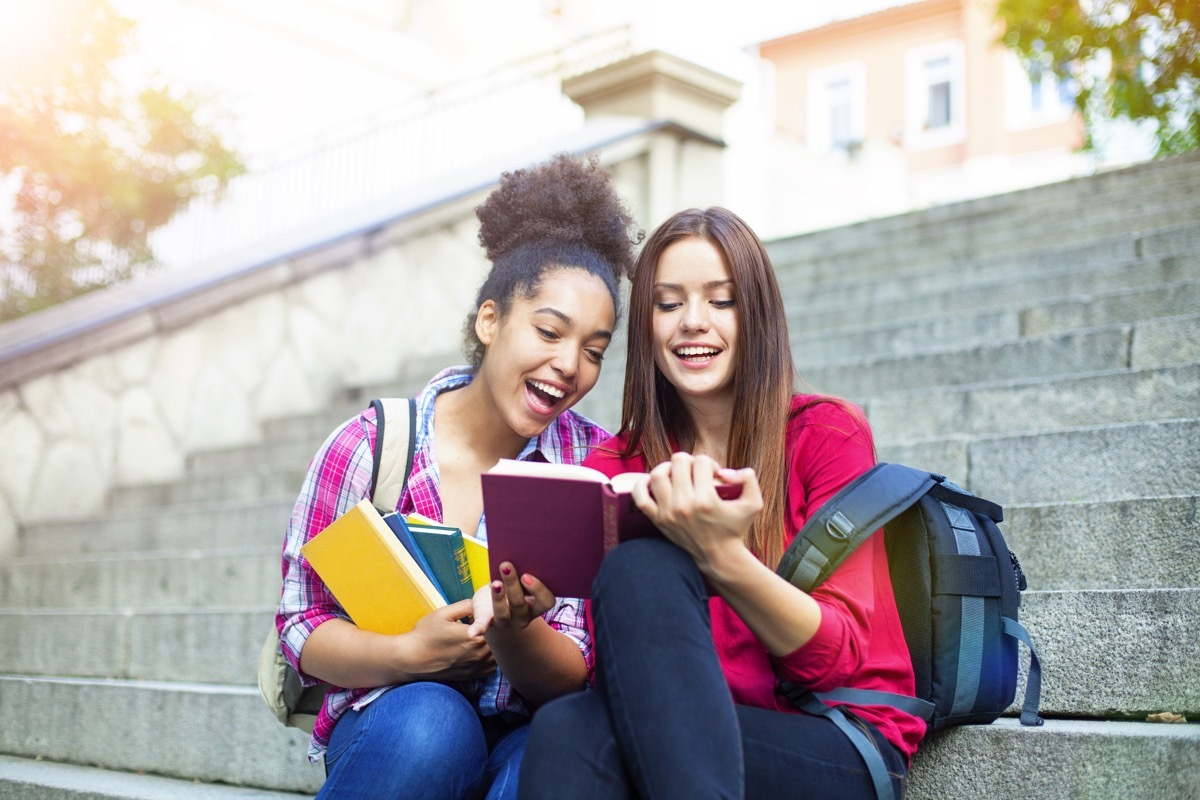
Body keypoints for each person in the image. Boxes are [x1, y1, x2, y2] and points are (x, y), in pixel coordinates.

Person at [518, 207, 925, 800]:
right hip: (680, 736)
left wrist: (720, 555)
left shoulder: (826, 435)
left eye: (721, 300)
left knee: (636, 574)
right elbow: (621, 676)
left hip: (832, 734)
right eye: (668, 303)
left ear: (754, 312)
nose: (692, 323)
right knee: (566, 725)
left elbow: (839, 661)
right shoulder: (612, 468)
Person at [276, 152, 640, 800]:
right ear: (491, 320)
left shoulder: (595, 467)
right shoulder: (370, 446)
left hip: (532, 727)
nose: (568, 366)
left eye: (593, 350)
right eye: (550, 331)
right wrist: (408, 655)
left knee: (554, 757)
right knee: (432, 727)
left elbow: (578, 673)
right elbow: (302, 625)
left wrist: (517, 630)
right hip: (398, 725)